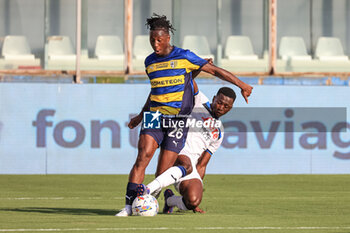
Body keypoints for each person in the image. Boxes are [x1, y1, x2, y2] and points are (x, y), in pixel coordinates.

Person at [116, 13, 252, 217]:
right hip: (154, 114)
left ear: (168, 38)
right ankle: (128, 206)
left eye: (159, 40)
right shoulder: (149, 62)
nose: (155, 44)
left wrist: (242, 85)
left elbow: (214, 71)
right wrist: (140, 115)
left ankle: (151, 199)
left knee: (163, 172)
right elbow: (156, 91)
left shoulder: (184, 56)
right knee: (142, 156)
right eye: (152, 40)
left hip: (178, 120)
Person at [137, 87, 236, 214]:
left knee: (193, 200)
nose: (221, 107)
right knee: (186, 164)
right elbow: (189, 78)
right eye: (219, 102)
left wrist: (197, 184)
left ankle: (170, 201)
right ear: (214, 98)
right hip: (176, 148)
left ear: (230, 108)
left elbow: (201, 165)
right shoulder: (199, 99)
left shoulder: (219, 132)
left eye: (226, 106)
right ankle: (147, 189)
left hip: (189, 166)